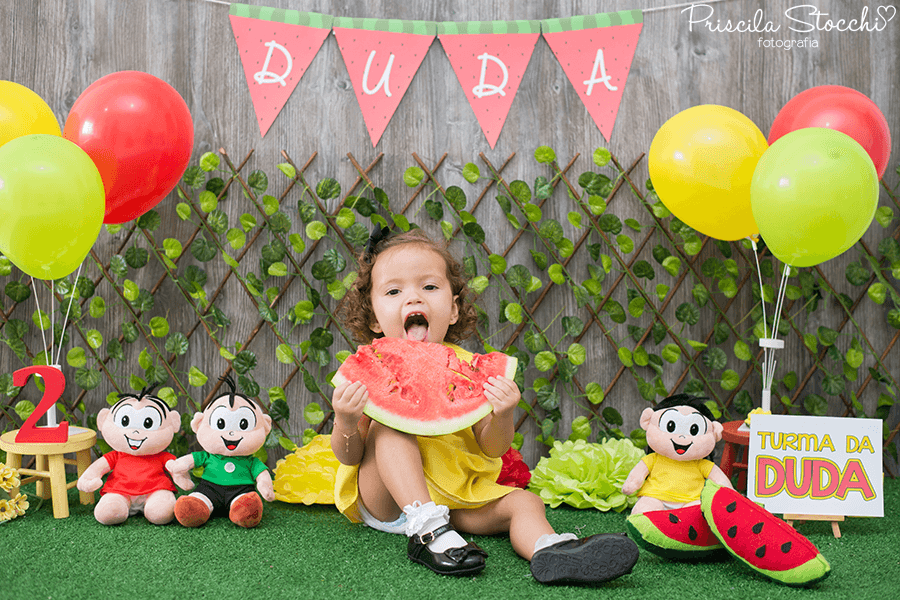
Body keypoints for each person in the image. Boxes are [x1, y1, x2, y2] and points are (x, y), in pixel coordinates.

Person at [331, 227, 639, 583]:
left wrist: (503, 413)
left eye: (429, 287)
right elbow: (350, 456)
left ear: (453, 310)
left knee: (525, 503)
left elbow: (493, 447)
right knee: (390, 424)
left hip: (458, 499)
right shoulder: (374, 372)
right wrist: (346, 421)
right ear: (373, 317)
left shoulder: (468, 369)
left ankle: (550, 550)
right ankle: (426, 530)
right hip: (388, 503)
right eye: (394, 290)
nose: (414, 298)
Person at [166, 375, 275, 528]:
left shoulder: (251, 461)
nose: (231, 434)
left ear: (265, 427)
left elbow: (262, 476)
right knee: (191, 507)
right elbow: (189, 461)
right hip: (209, 488)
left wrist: (265, 487)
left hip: (241, 491)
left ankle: (242, 510)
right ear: (199, 424)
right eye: (221, 424)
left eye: (243, 425)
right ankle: (198, 507)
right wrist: (178, 466)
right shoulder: (207, 456)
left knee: (247, 508)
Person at [76, 386, 182, 525]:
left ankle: (156, 508)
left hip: (155, 490)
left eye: (148, 423)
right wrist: (89, 479)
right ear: (103, 420)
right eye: (125, 422)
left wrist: (181, 477)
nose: (136, 432)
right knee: (109, 511)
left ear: (174, 423)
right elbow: (98, 467)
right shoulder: (116, 455)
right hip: (120, 491)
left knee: (161, 512)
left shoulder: (161, 456)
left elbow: (175, 467)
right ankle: (114, 508)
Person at [621, 393, 733, 515]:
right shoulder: (653, 459)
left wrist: (729, 494)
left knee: (699, 514)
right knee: (645, 511)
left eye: (694, 430)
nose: (682, 437)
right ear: (647, 421)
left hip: (691, 502)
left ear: (715, 433)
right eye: (671, 427)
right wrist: (631, 485)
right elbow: (636, 476)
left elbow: (721, 481)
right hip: (655, 497)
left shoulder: (701, 464)